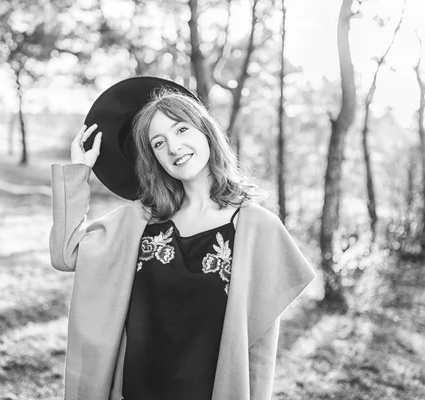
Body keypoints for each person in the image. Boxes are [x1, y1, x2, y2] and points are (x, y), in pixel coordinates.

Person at [49, 76, 316, 400]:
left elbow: (258, 352)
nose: (174, 147)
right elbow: (66, 254)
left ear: (206, 131)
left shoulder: (257, 228)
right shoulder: (141, 220)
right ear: (153, 158)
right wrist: (80, 173)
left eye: (181, 129)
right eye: (158, 143)